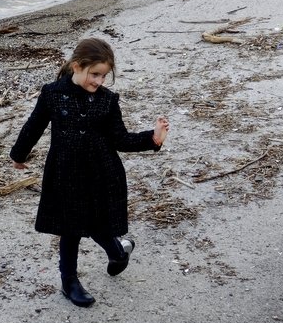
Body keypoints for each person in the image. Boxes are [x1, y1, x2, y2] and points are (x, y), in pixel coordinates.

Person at [9, 38, 169, 307]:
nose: (99, 81)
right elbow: (33, 126)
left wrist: (152, 139)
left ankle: (118, 252)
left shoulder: (107, 101)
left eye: (103, 76)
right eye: (94, 74)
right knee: (70, 229)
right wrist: (18, 156)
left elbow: (120, 139)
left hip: (102, 173)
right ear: (76, 67)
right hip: (65, 173)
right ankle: (69, 280)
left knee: (98, 224)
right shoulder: (52, 93)